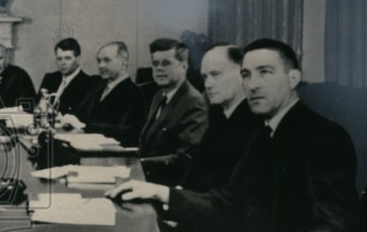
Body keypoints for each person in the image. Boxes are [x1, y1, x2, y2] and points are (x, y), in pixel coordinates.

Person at [107, 39, 358, 232]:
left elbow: (337, 226)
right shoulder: (265, 133)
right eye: (247, 74)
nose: (252, 84)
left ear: (293, 78)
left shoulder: (323, 136)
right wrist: (162, 192)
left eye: (265, 72)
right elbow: (227, 203)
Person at [181, 43, 258, 192]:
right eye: (205, 77)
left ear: (241, 74)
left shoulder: (254, 123)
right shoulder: (219, 115)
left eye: (215, 74)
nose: (208, 84)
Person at [137, 38, 208, 185]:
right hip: (147, 180)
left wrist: (139, 163)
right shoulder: (158, 96)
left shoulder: (194, 102)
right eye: (155, 64)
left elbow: (185, 158)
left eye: (166, 63)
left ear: (184, 66)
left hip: (169, 187)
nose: (159, 69)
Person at [65, 41, 145, 146]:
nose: (101, 65)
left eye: (107, 60)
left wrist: (85, 126)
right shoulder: (97, 88)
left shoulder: (135, 93)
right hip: (82, 145)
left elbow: (130, 133)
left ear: (124, 62)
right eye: (99, 61)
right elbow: (80, 116)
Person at [37, 37, 99, 120]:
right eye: (59, 59)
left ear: (78, 59)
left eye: (68, 58)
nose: (63, 63)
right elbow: (37, 106)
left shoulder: (88, 84)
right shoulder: (50, 78)